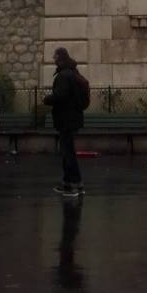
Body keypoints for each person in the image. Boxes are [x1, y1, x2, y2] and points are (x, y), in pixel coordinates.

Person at [43, 47, 90, 199]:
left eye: (54, 56)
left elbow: (61, 96)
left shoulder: (64, 75)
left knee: (68, 153)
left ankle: (76, 184)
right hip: (72, 118)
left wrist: (47, 99)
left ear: (59, 57)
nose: (53, 59)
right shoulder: (73, 73)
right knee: (66, 151)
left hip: (66, 119)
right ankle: (68, 182)